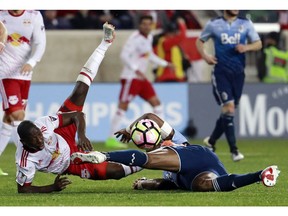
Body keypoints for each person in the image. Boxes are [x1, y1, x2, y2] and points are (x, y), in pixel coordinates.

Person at [14, 23, 142, 193]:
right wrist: (51, 187)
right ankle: (149, 159)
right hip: (69, 163)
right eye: (35, 140)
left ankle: (105, 42)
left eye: (38, 135)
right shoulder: (24, 160)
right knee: (115, 172)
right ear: (24, 143)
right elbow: (23, 190)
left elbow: (77, 115)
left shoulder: (43, 125)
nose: (40, 140)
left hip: (63, 133)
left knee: (79, 91)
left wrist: (80, 135)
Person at [70, 112, 280, 192]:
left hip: (195, 155)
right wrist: (144, 183)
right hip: (197, 175)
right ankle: (261, 175)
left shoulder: (175, 139)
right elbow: (167, 183)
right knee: (204, 186)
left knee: (146, 160)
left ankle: (103, 155)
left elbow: (151, 116)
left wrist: (130, 128)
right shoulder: (160, 164)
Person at [195, 10, 262, 161]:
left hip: (238, 73)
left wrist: (246, 48)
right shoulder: (214, 24)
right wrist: (205, 56)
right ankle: (234, 150)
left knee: (228, 112)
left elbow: (258, 43)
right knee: (229, 108)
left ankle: (211, 141)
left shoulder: (245, 23)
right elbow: (199, 41)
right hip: (221, 72)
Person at [105, 15, 173, 149]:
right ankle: (111, 138)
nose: (147, 26)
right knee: (123, 106)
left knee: (157, 104)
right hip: (131, 77)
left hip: (141, 79)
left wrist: (165, 64)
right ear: (140, 25)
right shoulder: (134, 38)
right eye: (144, 24)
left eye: (149, 24)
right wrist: (136, 70)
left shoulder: (149, 37)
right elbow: (123, 56)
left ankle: (163, 136)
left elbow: (150, 55)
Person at [0, 10, 46, 176]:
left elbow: (40, 43)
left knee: (8, 120)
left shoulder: (33, 15)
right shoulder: (1, 14)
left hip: (25, 74)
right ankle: (25, 160)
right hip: (6, 73)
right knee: (18, 116)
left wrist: (32, 62)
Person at [153, 17, 188, 82]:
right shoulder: (166, 42)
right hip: (167, 77)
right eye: (174, 33)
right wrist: (182, 24)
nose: (176, 34)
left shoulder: (170, 43)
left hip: (175, 76)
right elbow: (182, 36)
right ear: (168, 33)